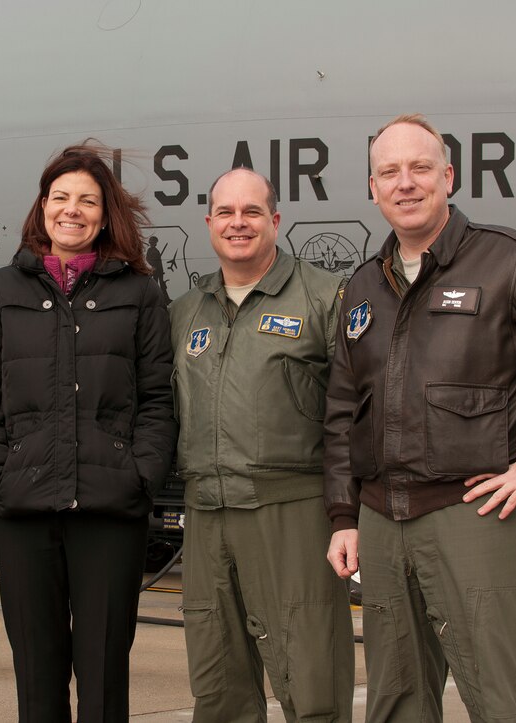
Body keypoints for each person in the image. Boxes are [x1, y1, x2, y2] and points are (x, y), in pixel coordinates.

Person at [324, 114, 516, 722]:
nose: (405, 183)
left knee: (503, 698)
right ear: (372, 187)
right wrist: (343, 515)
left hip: (476, 514)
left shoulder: (510, 261)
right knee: (396, 701)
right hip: (382, 521)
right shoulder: (362, 287)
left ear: (449, 176)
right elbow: (339, 410)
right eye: (390, 172)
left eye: (420, 168)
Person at [0, 142, 177, 722]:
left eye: (87, 201)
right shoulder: (1, 292)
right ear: (42, 206)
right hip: (25, 511)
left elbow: (158, 398)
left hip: (109, 510)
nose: (72, 210)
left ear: (106, 214)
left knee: (104, 681)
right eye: (60, 197)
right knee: (37, 680)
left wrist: (139, 476)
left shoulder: (139, 294)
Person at [169, 167, 355, 722]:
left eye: (252, 212)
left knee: (310, 674)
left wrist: (351, 510)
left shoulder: (326, 298)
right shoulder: (187, 311)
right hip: (207, 511)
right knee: (217, 679)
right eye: (225, 213)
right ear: (208, 224)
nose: (238, 223)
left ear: (275, 221)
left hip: (291, 509)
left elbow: (357, 411)